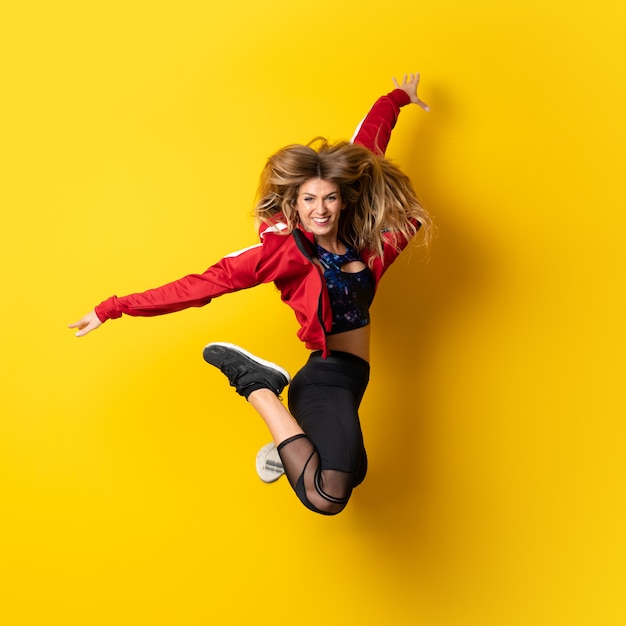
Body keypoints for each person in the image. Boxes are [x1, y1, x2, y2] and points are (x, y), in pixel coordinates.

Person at [70, 73, 432, 515]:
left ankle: (285, 447)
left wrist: (397, 99)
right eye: (309, 200)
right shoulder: (283, 255)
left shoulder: (366, 245)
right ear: (294, 203)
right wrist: (112, 308)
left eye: (330, 198)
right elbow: (200, 286)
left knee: (354, 471)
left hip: (355, 380)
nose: (320, 209)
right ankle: (257, 385)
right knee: (328, 494)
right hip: (324, 377)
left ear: (343, 199)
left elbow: (366, 148)